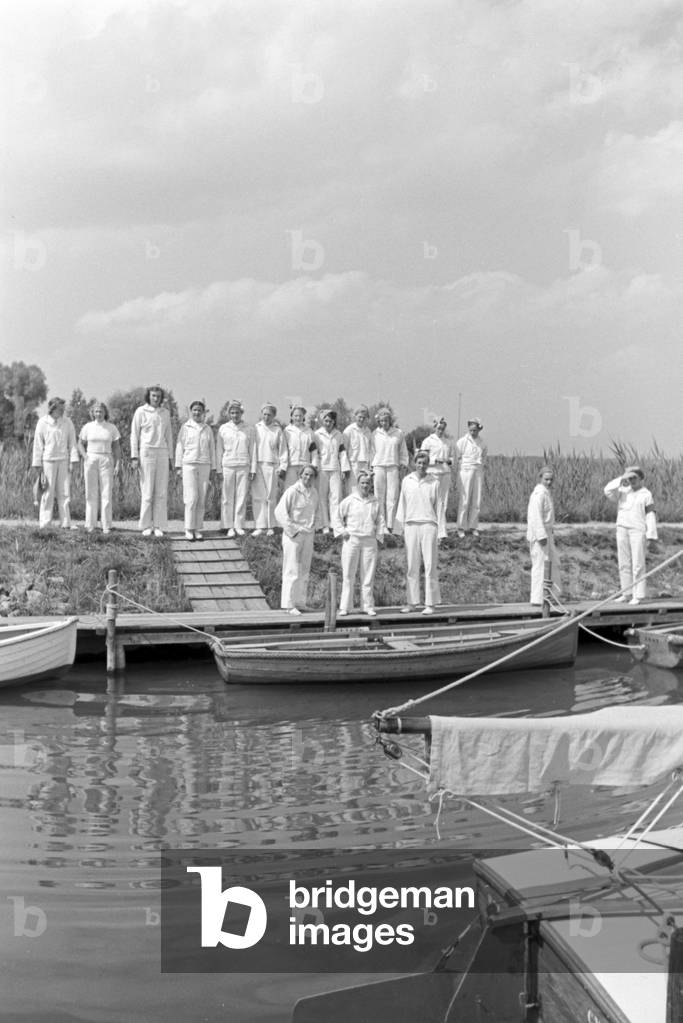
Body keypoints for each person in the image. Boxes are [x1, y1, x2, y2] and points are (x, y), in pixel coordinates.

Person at [394, 449, 441, 615]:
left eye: (424, 463)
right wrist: (399, 528)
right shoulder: (407, 480)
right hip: (411, 525)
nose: (421, 466)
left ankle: (431, 603)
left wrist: (441, 532)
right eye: (419, 463)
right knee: (412, 566)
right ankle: (412, 602)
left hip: (429, 525)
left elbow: (439, 508)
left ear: (428, 465)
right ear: (414, 463)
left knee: (430, 566)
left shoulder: (434, 482)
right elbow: (402, 504)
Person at [604, 466, 658, 605]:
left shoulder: (646, 494)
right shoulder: (622, 491)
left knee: (638, 563)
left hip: (637, 530)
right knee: (623, 562)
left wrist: (651, 535)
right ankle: (626, 592)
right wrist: (621, 479)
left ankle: (638, 595)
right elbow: (607, 491)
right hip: (622, 528)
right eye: (630, 478)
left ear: (641, 478)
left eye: (634, 478)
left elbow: (650, 515)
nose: (632, 481)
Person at [335, 470, 385, 616]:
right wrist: (342, 530)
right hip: (352, 540)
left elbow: (380, 520)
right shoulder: (350, 500)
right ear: (357, 484)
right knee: (348, 574)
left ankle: (367, 606)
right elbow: (337, 516)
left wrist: (379, 536)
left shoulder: (375, 501)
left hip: (369, 540)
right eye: (362, 483)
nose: (365, 485)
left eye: (367, 483)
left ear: (371, 485)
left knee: (368, 575)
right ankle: (345, 606)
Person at [274, 464, 321, 615]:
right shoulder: (292, 491)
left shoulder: (314, 493)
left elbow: (317, 513)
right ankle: (288, 604)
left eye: (311, 475)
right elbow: (280, 512)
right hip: (293, 536)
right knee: (292, 569)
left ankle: (300, 602)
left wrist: (314, 528)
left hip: (308, 534)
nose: (308, 478)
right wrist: (293, 531)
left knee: (304, 569)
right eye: (305, 474)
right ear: (300, 475)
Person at [130, 386, 174, 537]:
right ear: (149, 397)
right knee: (147, 492)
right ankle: (146, 525)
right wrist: (134, 456)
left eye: (158, 396)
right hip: (146, 452)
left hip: (162, 452)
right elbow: (134, 435)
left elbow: (169, 436)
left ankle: (159, 525)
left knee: (161, 492)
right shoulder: (141, 411)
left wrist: (171, 458)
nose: (156, 398)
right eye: (153, 396)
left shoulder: (165, 413)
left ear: (161, 398)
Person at [31, 396, 79, 529]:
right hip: (48, 461)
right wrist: (37, 464)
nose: (62, 411)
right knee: (48, 492)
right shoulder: (42, 422)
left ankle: (65, 522)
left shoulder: (67, 422)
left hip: (63, 460)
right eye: (60, 408)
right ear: (53, 409)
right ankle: (45, 523)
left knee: (64, 492)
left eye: (63, 408)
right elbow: (38, 444)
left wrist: (73, 460)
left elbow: (72, 443)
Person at [175, 400, 216, 541]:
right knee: (191, 498)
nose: (197, 413)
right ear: (191, 412)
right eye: (195, 410)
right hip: (189, 464)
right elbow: (179, 447)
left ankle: (198, 528)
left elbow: (212, 449)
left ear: (203, 413)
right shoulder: (185, 427)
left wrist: (214, 468)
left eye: (199, 410)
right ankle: (189, 528)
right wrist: (178, 466)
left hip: (204, 464)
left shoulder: (207, 429)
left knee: (201, 498)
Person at [77, 401, 121, 534]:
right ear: (93, 413)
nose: (99, 414)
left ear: (105, 412)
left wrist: (118, 463)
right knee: (91, 493)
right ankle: (90, 524)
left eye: (101, 411)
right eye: (96, 411)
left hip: (106, 459)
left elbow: (117, 446)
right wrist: (85, 457)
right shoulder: (88, 427)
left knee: (106, 492)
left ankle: (106, 525)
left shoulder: (111, 428)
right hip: (91, 458)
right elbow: (80, 443)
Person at [216, 400, 254, 538]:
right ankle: (227, 525)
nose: (235, 415)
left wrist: (253, 469)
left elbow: (252, 450)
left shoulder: (249, 429)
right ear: (229, 414)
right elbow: (219, 450)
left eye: (237, 412)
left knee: (241, 496)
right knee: (227, 497)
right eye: (232, 412)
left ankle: (239, 525)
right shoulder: (223, 428)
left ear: (241, 413)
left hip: (244, 465)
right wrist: (219, 469)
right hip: (228, 465)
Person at [526, 466, 560, 607]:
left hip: (547, 532)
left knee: (552, 564)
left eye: (551, 479)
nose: (549, 482)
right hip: (540, 535)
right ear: (540, 478)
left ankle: (550, 595)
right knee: (540, 565)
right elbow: (535, 517)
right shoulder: (538, 494)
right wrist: (541, 535)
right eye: (546, 479)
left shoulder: (546, 493)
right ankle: (538, 598)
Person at [252, 403, 287, 537]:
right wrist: (252, 467)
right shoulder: (256, 428)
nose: (266, 417)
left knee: (271, 497)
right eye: (264, 414)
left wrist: (282, 466)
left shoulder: (277, 430)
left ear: (274, 415)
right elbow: (252, 448)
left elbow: (283, 449)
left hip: (273, 465)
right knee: (258, 496)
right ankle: (260, 526)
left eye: (269, 415)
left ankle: (271, 525)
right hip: (258, 464)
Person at [371, 407, 409, 532]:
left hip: (393, 466)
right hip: (379, 467)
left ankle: (390, 524)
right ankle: (381, 525)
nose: (383, 423)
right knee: (379, 496)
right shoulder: (375, 434)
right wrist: (371, 467)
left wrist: (403, 463)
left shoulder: (398, 433)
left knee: (392, 497)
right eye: (381, 421)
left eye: (386, 420)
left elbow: (403, 451)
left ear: (390, 420)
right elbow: (372, 452)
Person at [314, 409, 350, 535]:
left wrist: (344, 469)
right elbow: (315, 453)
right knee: (322, 497)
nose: (328, 423)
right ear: (322, 421)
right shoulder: (317, 434)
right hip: (322, 469)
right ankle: (324, 525)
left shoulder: (338, 434)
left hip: (335, 468)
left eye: (330, 421)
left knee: (336, 497)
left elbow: (342, 452)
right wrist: (315, 468)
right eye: (326, 420)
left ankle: (336, 525)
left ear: (334, 421)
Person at [420, 416, 455, 541]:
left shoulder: (447, 441)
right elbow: (422, 458)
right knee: (432, 501)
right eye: (439, 428)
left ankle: (441, 529)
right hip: (433, 473)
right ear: (435, 427)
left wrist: (449, 461)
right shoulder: (428, 441)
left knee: (443, 502)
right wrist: (436, 460)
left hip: (445, 473)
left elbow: (452, 457)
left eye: (443, 428)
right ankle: (430, 527)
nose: (441, 430)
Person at [455, 417, 487, 538]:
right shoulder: (462, 441)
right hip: (466, 470)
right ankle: (461, 527)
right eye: (471, 430)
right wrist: (462, 469)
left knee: (476, 500)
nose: (473, 432)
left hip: (478, 470)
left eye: (475, 430)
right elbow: (458, 457)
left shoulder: (482, 443)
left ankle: (473, 526)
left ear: (479, 429)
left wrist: (479, 466)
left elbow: (484, 456)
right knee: (465, 499)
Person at [283, 405, 318, 488]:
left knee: (305, 489)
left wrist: (314, 465)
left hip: (305, 466)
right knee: (290, 490)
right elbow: (283, 450)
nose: (298, 418)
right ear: (291, 416)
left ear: (303, 417)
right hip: (291, 466)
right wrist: (283, 467)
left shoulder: (309, 431)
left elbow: (313, 451)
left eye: (300, 416)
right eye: (296, 416)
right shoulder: (287, 431)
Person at [342, 404, 374, 492]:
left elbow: (371, 451)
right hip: (353, 465)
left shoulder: (368, 431)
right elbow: (343, 451)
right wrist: (345, 468)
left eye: (364, 417)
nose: (362, 419)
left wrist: (371, 466)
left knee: (364, 490)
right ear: (355, 416)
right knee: (353, 490)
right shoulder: (348, 431)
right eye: (360, 417)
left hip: (365, 465)